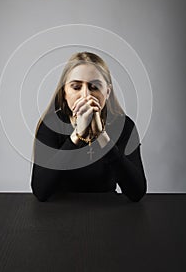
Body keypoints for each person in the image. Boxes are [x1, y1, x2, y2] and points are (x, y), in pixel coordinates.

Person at [31, 51, 147, 202]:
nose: (85, 95)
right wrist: (77, 135)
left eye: (94, 86)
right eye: (76, 87)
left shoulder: (124, 126)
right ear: (64, 93)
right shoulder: (50, 125)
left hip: (107, 212)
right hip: (60, 213)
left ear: (107, 92)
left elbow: (137, 192)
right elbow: (40, 190)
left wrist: (102, 136)